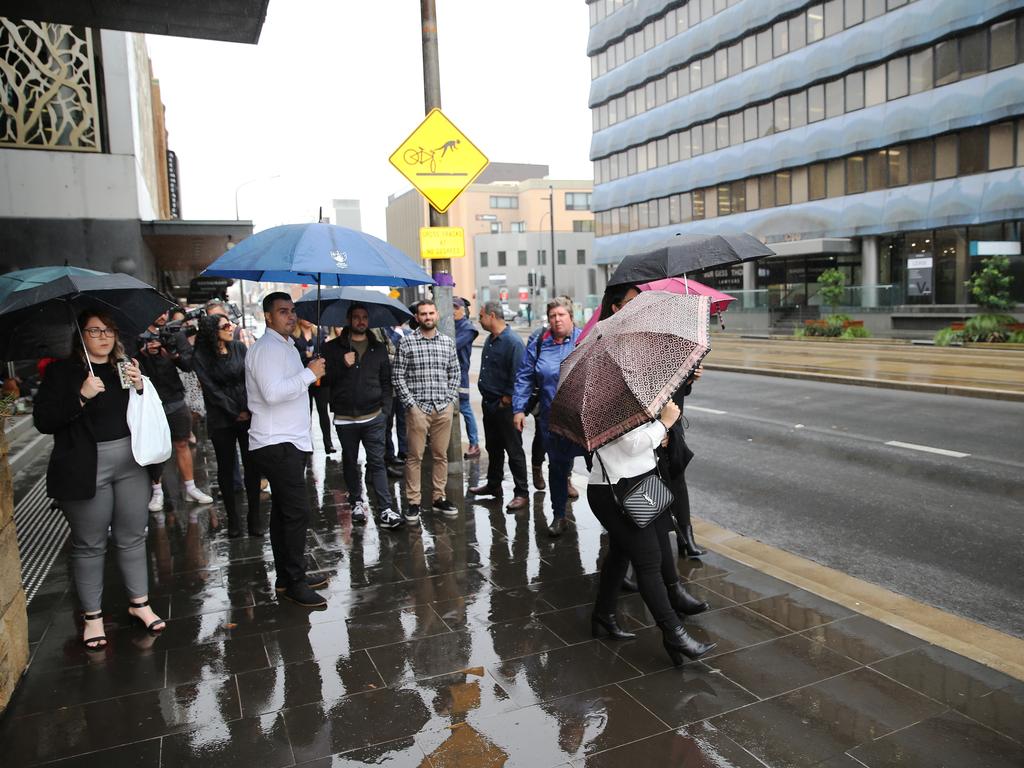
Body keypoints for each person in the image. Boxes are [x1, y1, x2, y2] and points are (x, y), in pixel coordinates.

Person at [34, 311, 166, 649]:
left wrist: (139, 386)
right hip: (86, 466)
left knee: (133, 536)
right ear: (82, 335)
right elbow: (44, 420)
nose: (104, 337)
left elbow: (147, 408)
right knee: (90, 543)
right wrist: (80, 396)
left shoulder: (125, 365)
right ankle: (92, 616)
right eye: (95, 330)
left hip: (130, 464)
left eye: (109, 330)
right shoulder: (62, 372)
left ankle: (140, 603)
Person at [588, 399, 715, 667]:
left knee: (622, 552)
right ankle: (674, 635)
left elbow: (642, 441)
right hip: (616, 492)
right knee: (649, 560)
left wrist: (662, 433)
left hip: (642, 482)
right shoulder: (609, 399)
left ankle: (603, 613)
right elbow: (630, 444)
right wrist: (664, 423)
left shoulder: (630, 392)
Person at [245, 292, 329, 607]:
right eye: (283, 311)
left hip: (288, 440)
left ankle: (287, 576)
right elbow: (271, 394)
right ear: (268, 316)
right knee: (296, 513)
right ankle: (294, 580)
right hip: (276, 442)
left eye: (293, 311)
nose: (291, 316)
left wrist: (308, 371)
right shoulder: (267, 349)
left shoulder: (285, 346)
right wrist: (310, 374)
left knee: (283, 512)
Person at [323, 303, 402, 530]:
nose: (361, 321)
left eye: (364, 317)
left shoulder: (378, 348)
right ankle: (356, 501)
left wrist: (385, 412)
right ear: (348, 319)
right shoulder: (332, 348)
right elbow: (323, 381)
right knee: (350, 461)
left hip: (374, 416)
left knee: (377, 462)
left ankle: (385, 508)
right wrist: (341, 364)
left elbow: (387, 382)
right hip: (345, 418)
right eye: (356, 317)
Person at [512, 297, 583, 537]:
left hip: (583, 418)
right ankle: (559, 516)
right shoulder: (540, 343)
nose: (557, 320)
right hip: (553, 420)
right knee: (557, 468)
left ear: (571, 316)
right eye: (553, 316)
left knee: (601, 468)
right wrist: (519, 408)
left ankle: (611, 519)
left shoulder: (585, 340)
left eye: (561, 315)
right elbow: (525, 376)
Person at [191, 314, 263, 538]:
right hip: (222, 418)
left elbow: (251, 377)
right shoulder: (201, 356)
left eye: (230, 323)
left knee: (252, 466)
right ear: (213, 330)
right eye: (225, 325)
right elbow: (211, 390)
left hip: (248, 413)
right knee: (226, 467)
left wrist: (248, 408)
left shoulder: (240, 348)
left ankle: (254, 517)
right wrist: (234, 411)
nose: (230, 327)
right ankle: (233, 518)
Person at [136, 312, 214, 510]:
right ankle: (157, 491)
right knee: (154, 447)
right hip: (150, 400)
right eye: (158, 312)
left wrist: (174, 355)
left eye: (164, 311)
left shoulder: (174, 333)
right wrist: (143, 352)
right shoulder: (138, 336)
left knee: (182, 442)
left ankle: (190, 487)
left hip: (175, 397)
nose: (161, 315)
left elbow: (188, 365)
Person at [393, 299, 461, 523]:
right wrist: (411, 405)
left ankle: (438, 498)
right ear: (417, 318)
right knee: (414, 457)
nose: (428, 317)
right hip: (418, 410)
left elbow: (455, 373)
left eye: (431, 313)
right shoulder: (407, 343)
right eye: (423, 314)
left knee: (441, 455)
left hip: (442, 408)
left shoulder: (447, 343)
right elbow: (398, 376)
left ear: (437, 316)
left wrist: (450, 400)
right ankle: (413, 502)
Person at [469, 300, 529, 512]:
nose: (479, 320)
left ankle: (521, 492)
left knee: (514, 450)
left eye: (481, 316)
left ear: (491, 316)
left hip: (505, 408)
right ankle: (494, 485)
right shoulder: (491, 340)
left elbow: (519, 376)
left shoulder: (513, 342)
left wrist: (507, 399)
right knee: (493, 448)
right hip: (490, 405)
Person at [294, 318, 335, 455]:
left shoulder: (320, 333)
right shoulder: (294, 336)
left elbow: (326, 352)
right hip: (304, 379)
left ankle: (328, 444)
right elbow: (293, 356)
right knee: (307, 413)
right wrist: (305, 354)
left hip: (319, 380)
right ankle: (307, 444)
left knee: (324, 412)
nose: (308, 321)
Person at [453, 297, 480, 459]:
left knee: (464, 408)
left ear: (463, 310)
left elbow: (453, 345)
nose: (453, 310)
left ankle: (474, 443)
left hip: (460, 375)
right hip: (449, 374)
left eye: (456, 307)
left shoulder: (468, 328)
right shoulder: (452, 325)